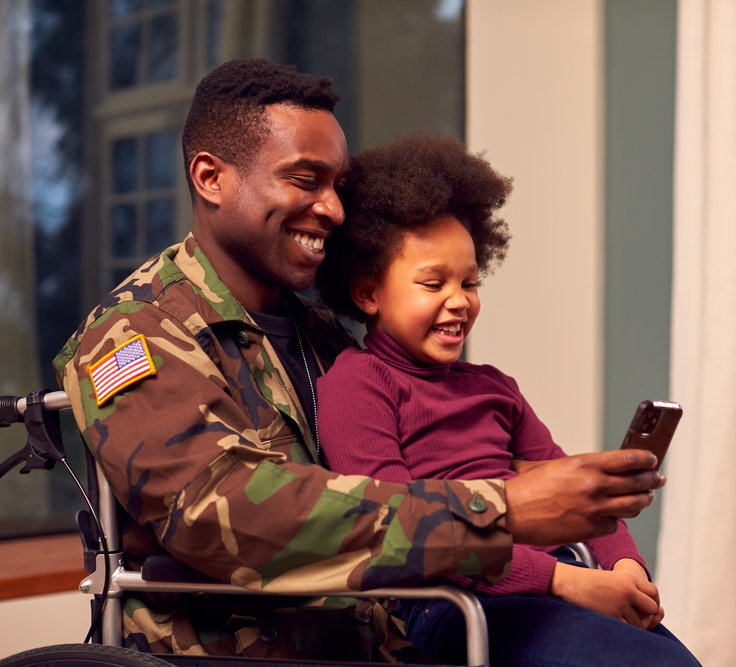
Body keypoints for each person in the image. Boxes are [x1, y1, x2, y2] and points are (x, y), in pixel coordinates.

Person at [53, 58, 666, 661]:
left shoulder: (326, 335)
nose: (334, 210)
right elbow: (220, 513)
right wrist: (501, 513)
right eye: (304, 180)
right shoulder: (133, 335)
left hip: (391, 635)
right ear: (212, 178)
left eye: (337, 186)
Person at [313, 133, 700, 666]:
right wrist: (564, 581)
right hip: (454, 600)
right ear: (367, 294)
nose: (459, 301)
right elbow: (395, 533)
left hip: (560, 576)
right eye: (433, 283)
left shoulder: (493, 385)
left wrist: (625, 567)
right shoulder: (356, 384)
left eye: (470, 282)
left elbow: (571, 481)